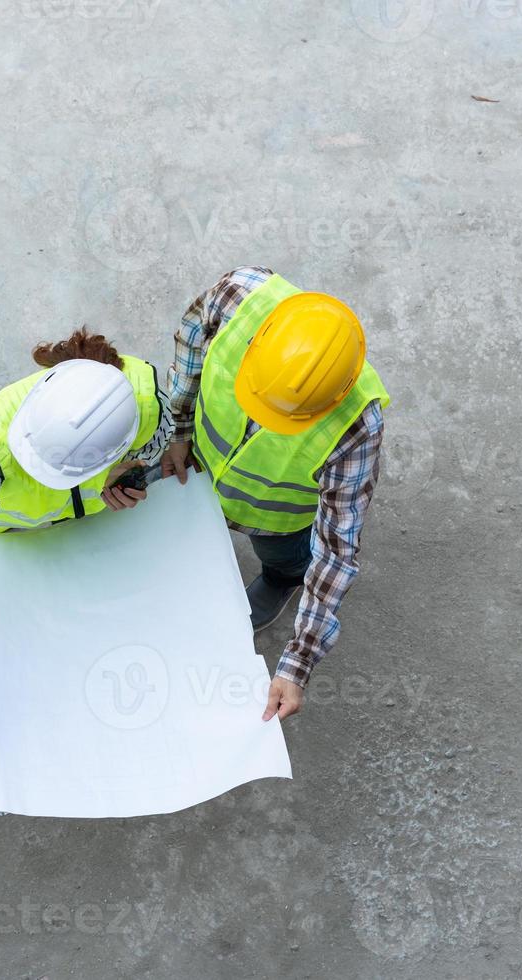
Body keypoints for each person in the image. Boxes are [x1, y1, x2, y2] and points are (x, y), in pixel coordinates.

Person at [0, 328, 171, 757]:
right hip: (18, 542)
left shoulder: (142, 405)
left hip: (90, 540)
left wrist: (133, 475)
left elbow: (161, 443)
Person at [160, 267, 390, 723]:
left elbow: (337, 548)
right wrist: (180, 428)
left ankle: (283, 576)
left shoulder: (359, 427)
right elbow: (190, 348)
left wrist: (298, 661)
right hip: (204, 459)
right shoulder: (238, 297)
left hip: (277, 517)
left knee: (288, 559)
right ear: (261, 343)